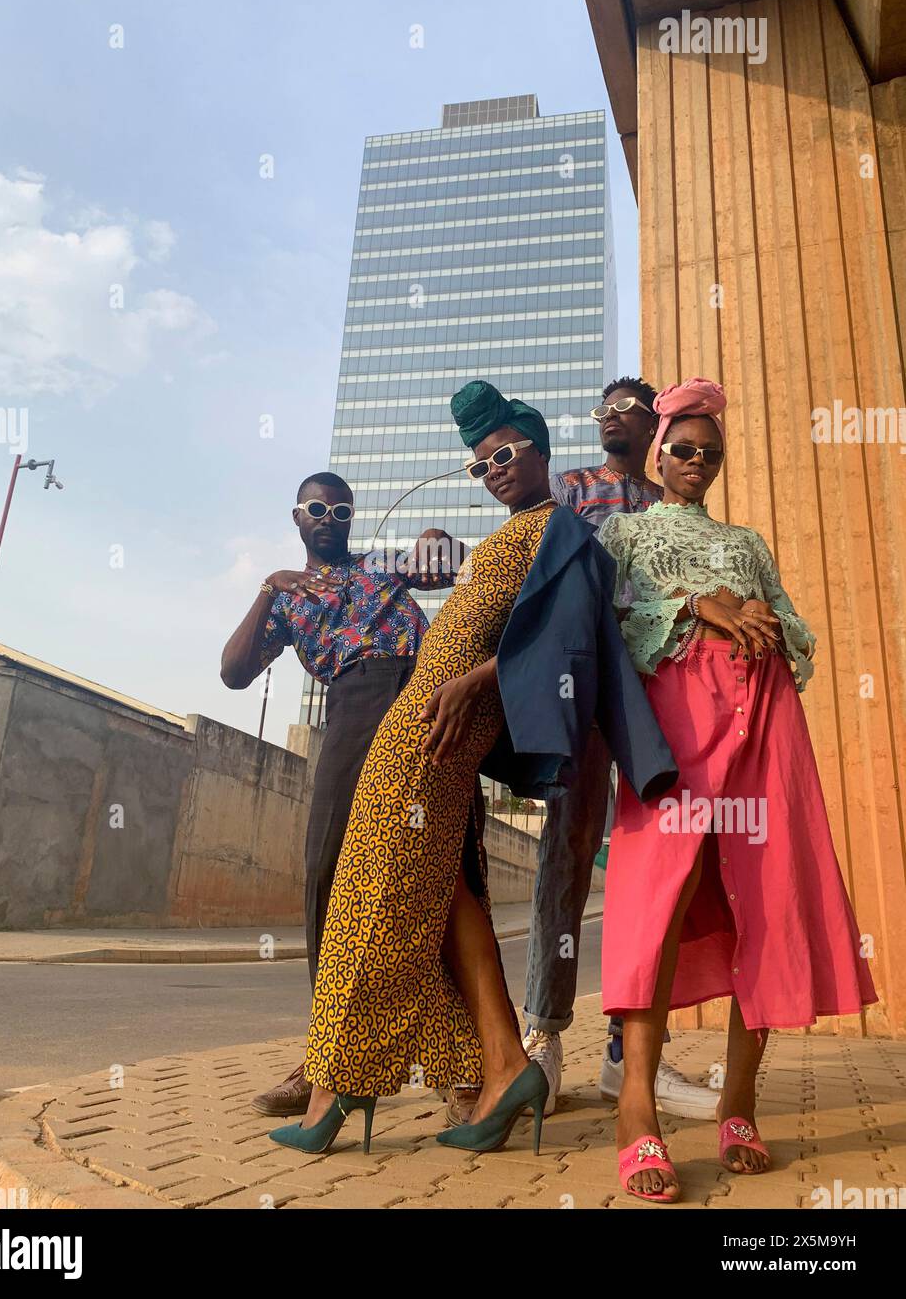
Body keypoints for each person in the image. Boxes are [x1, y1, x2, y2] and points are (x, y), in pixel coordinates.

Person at [268, 381, 677, 1157]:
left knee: (372, 888)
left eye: (504, 454)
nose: (490, 469)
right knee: (440, 892)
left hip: (435, 728)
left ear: (541, 455)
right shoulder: (505, 538)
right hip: (420, 720)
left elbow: (565, 643)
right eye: (478, 463)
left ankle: (336, 1083)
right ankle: (499, 1067)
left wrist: (474, 684)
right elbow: (407, 573)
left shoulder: (560, 529)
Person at [597, 377, 877, 1203]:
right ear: (658, 452)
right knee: (661, 899)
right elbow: (613, 619)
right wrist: (700, 603)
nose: (696, 463)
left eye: (709, 454)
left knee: (766, 896)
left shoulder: (747, 540)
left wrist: (758, 611)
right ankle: (636, 1112)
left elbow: (797, 627)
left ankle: (738, 1103)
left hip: (763, 714)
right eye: (682, 449)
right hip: (675, 717)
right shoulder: (623, 532)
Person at [221, 471, 462, 1117]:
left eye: (340, 508)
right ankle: (328, 1054)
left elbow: (444, 564)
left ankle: (468, 1063)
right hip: (355, 700)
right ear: (297, 518)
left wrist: (436, 544)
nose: (329, 516)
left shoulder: (381, 565)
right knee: (327, 869)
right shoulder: (288, 599)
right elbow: (233, 673)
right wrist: (268, 585)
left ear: (352, 518)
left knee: (452, 864)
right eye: (316, 508)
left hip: (427, 689)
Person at [522, 378, 719, 1121]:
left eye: (625, 408)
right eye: (601, 408)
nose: (608, 417)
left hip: (656, 697)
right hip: (585, 688)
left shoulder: (675, 504)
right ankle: (541, 1035)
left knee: (652, 864)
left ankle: (627, 1050)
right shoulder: (572, 488)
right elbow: (547, 580)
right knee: (565, 848)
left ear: (655, 425)